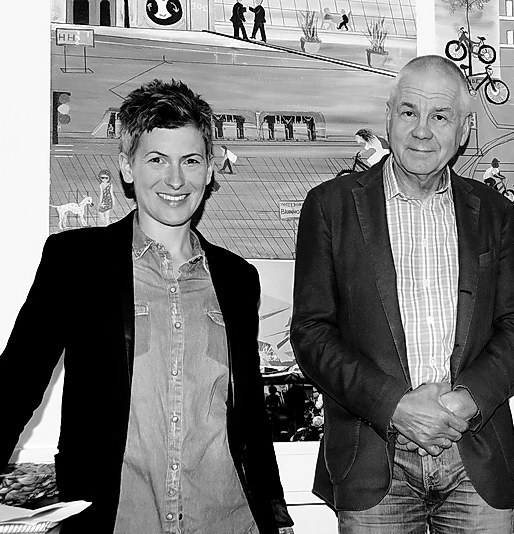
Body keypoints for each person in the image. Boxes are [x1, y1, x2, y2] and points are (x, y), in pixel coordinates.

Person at [0, 80, 294, 534]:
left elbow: (249, 411)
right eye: (157, 159)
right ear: (127, 166)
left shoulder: (238, 278)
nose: (175, 180)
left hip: (229, 520)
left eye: (190, 160)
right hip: (115, 520)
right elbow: (16, 384)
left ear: (210, 169)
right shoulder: (75, 261)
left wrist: (277, 513)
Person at [291, 55, 514, 532]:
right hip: (373, 462)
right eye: (409, 111)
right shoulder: (329, 206)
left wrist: (467, 400)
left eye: (440, 116)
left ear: (464, 131)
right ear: (388, 117)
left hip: (475, 457)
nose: (421, 130)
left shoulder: (493, 212)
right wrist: (395, 407)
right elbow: (312, 333)